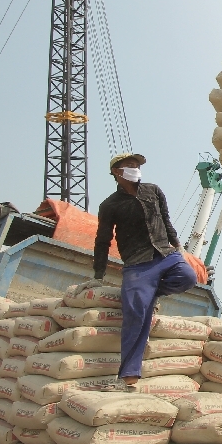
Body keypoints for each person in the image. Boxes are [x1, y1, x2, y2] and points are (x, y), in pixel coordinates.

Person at [75, 153, 197, 391]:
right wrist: (98, 275)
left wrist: (179, 247)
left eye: (137, 165)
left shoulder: (153, 191)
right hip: (137, 263)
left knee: (188, 277)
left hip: (165, 254)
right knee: (135, 315)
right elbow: (102, 240)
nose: (135, 169)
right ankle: (130, 373)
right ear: (116, 173)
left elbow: (166, 220)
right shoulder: (109, 205)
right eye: (129, 166)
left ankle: (149, 292)